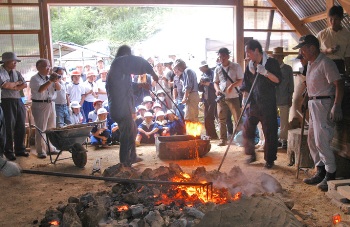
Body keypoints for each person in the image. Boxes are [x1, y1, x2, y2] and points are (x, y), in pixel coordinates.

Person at [293, 34, 344, 191]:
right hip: (314, 102)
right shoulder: (311, 64)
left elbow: (339, 84)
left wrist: (337, 105)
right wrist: (306, 98)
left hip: (324, 103)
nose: (301, 53)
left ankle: (330, 174)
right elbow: (311, 84)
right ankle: (320, 170)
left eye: (303, 49)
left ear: (312, 48)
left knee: (322, 140)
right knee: (311, 139)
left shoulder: (325, 63)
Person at [106, 44, 158, 167]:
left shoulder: (119, 71)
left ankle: (132, 156)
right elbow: (137, 62)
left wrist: (140, 85)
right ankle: (124, 161)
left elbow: (127, 88)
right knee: (126, 132)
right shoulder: (118, 63)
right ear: (126, 55)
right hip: (119, 107)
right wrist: (152, 72)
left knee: (132, 129)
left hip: (122, 106)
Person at [241, 40, 281, 169]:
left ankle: (269, 160)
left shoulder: (271, 63)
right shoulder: (250, 66)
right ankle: (251, 154)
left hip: (268, 103)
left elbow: (278, 80)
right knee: (247, 128)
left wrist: (265, 72)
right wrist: (244, 99)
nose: (247, 55)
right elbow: (246, 85)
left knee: (269, 131)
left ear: (256, 51)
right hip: (254, 103)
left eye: (248, 52)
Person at [30, 59, 61, 159]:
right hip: (40, 104)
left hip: (51, 103)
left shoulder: (50, 77)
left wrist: (56, 81)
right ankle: (41, 150)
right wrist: (51, 81)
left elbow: (59, 88)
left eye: (49, 66)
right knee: (41, 128)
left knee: (51, 127)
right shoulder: (34, 78)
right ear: (38, 68)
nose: (48, 68)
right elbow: (40, 89)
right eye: (45, 66)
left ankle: (50, 148)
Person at [0, 52, 28, 160]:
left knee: (20, 125)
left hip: (18, 100)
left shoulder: (17, 72)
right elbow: (5, 85)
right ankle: (8, 151)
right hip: (6, 101)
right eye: (13, 61)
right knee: (8, 126)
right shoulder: (1, 72)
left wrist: (14, 86)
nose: (15, 63)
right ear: (6, 61)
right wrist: (17, 84)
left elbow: (24, 84)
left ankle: (20, 149)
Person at [214, 47, 244, 146]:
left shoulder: (236, 66)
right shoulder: (218, 68)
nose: (222, 59)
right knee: (221, 118)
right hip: (222, 97)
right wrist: (217, 90)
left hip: (233, 96)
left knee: (237, 118)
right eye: (220, 57)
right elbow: (215, 82)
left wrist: (232, 85)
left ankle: (238, 138)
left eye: (223, 56)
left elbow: (240, 80)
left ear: (228, 56)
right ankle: (223, 139)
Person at [316, 5, 350, 76]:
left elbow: (347, 56)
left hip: (339, 65)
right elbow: (314, 51)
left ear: (341, 18)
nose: (333, 22)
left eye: (336, 19)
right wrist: (327, 51)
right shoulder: (322, 34)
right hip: (324, 64)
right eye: (331, 19)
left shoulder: (347, 35)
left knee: (338, 86)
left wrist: (348, 70)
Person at [272, 47, 294, 149]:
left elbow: (291, 84)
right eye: (275, 57)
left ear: (282, 57)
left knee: (284, 120)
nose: (277, 58)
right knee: (272, 120)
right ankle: (274, 139)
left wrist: (290, 97)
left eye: (278, 57)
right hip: (272, 99)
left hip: (284, 97)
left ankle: (284, 139)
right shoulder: (270, 69)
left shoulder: (288, 69)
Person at [198, 75, 218, 140]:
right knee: (206, 119)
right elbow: (199, 89)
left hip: (213, 102)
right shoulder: (203, 86)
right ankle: (209, 134)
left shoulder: (211, 85)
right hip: (206, 103)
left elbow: (214, 89)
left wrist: (207, 83)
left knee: (209, 118)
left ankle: (213, 135)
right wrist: (200, 83)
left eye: (204, 82)